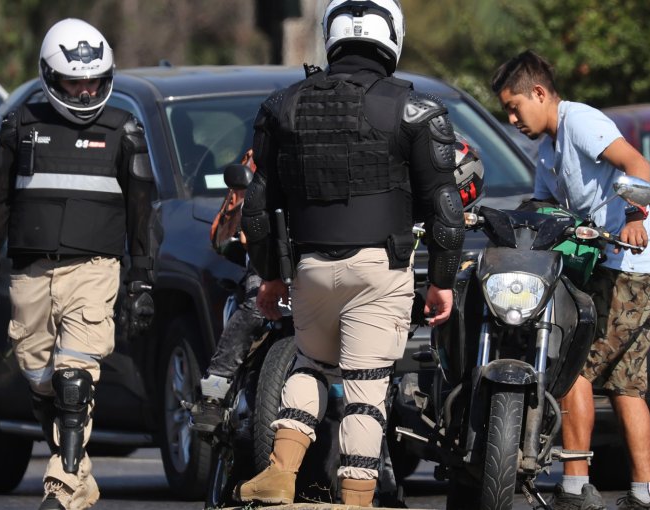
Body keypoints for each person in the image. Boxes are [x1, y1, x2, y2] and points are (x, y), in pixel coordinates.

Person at [235, 0, 465, 506]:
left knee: (311, 367)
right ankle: (356, 499)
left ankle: (279, 473)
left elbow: (256, 207)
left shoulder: (283, 105)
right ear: (392, 38)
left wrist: (271, 276)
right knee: (365, 386)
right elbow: (447, 210)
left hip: (312, 267)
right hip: (381, 269)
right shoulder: (415, 110)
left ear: (332, 36)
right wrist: (441, 281)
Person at [0, 18, 157, 510]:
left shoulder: (124, 132)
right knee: (43, 383)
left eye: (94, 80)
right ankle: (80, 476)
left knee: (75, 380)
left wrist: (141, 281)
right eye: (76, 81)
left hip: (93, 271)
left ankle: (62, 488)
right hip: (30, 275)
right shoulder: (20, 127)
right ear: (51, 77)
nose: (87, 89)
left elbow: (142, 216)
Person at [491, 50, 650, 510]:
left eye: (515, 106)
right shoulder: (547, 150)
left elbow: (637, 165)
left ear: (540, 93)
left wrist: (634, 215)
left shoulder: (581, 122)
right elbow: (542, 208)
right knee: (626, 385)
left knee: (575, 367)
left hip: (629, 266)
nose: (512, 118)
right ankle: (643, 495)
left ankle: (574, 484)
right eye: (505, 111)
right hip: (613, 269)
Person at [191, 150, 265, 433]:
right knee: (255, 306)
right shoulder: (271, 140)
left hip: (330, 259)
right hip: (271, 259)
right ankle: (214, 393)